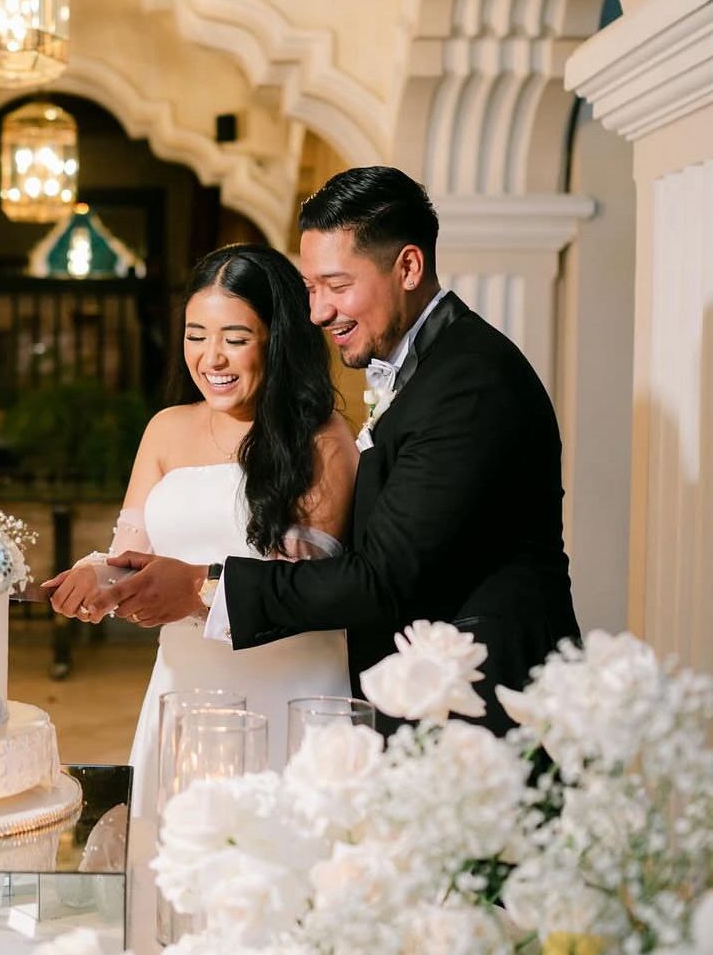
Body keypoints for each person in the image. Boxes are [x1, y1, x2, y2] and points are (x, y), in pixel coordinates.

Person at [98, 167, 580, 737]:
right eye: (311, 288)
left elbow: (384, 578)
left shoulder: (468, 382)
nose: (319, 311)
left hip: (484, 707)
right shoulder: (428, 370)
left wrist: (204, 585)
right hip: (430, 703)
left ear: (407, 267)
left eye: (337, 285)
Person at [44, 243, 357, 816]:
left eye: (235, 339)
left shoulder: (323, 441)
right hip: (183, 690)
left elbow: (311, 592)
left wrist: (192, 588)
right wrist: (98, 579)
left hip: (288, 695)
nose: (211, 358)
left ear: (278, 338)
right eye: (195, 336)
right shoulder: (166, 429)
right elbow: (129, 554)